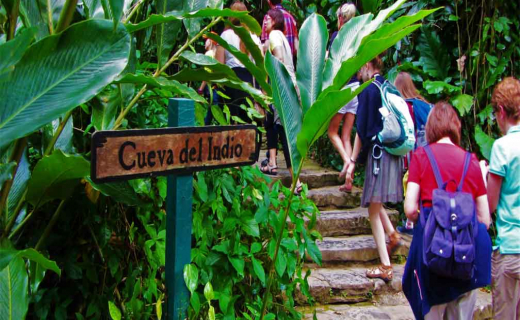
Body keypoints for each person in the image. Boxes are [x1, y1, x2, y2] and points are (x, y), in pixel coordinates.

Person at [402, 101, 492, 320]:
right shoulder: (471, 161)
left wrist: (427, 218)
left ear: (431, 127)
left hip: (433, 256)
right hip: (466, 258)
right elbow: (485, 219)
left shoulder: (421, 157)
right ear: (456, 127)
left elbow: (410, 208)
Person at [345, 54, 404, 281]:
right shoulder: (388, 86)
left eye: (360, 69)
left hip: (378, 155)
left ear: (369, 65)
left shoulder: (369, 90)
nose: (359, 74)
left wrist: (352, 161)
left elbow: (361, 129)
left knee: (372, 209)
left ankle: (385, 266)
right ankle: (392, 235)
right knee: (374, 198)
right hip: (391, 154)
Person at [481, 77, 520, 319]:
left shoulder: (502, 147)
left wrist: (484, 175)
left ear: (502, 111)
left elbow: (491, 204)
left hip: (510, 249)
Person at [260, 9, 302, 194]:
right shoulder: (282, 36)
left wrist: (276, 81)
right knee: (277, 127)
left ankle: (297, 181)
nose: (265, 22)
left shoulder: (275, 35)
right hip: (289, 87)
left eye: (268, 19)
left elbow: (279, 57)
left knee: (285, 134)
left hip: (283, 89)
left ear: (276, 21)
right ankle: (273, 163)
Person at [394, 72, 433, 234]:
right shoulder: (426, 105)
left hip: (414, 154)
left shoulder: (405, 106)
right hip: (431, 153)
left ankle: (411, 224)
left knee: (409, 185)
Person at [327, 3, 359, 192]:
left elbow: (332, 62)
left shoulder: (337, 37)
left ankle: (347, 162)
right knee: (346, 136)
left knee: (332, 132)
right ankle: (349, 181)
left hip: (342, 88)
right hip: (355, 87)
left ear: (340, 18)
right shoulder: (357, 37)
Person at [215, 1, 262, 123]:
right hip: (250, 83)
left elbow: (219, 66)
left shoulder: (226, 35)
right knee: (249, 124)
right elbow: (261, 64)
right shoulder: (254, 36)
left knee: (230, 125)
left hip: (232, 81)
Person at [198, 33, 219, 125]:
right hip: (217, 86)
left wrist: (200, 89)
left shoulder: (208, 54)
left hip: (210, 86)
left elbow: (206, 74)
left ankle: (205, 125)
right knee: (213, 107)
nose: (205, 43)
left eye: (206, 40)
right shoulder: (217, 54)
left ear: (211, 41)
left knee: (213, 106)